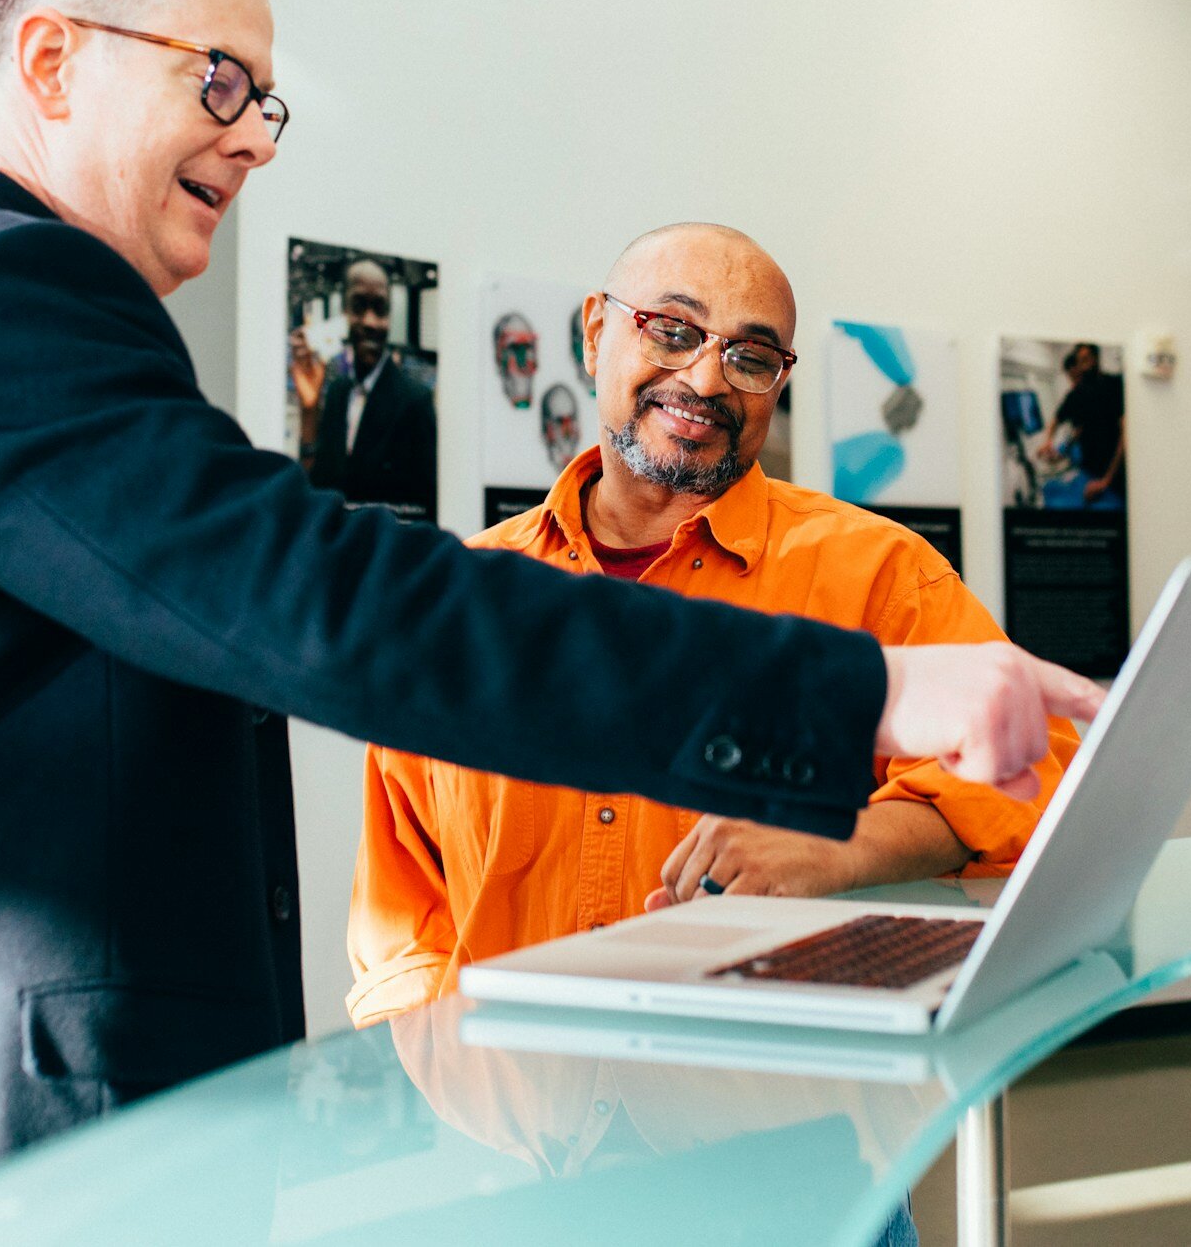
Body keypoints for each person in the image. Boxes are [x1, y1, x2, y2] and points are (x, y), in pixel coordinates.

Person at [0, 0, 1102, 1247]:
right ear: (48, 63)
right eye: (216, 77)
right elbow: (331, 603)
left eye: (264, 97)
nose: (257, 135)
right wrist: (864, 697)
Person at [347, 226, 1078, 1025]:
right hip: (512, 1123)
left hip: (773, 1115)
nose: (704, 378)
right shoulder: (466, 599)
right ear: (596, 332)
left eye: (751, 356)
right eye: (672, 329)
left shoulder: (880, 574)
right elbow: (401, 920)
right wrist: (449, 1093)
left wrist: (840, 844)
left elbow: (1039, 769)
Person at [299, 257, 437, 519]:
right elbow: (318, 487)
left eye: (380, 309)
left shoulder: (415, 402)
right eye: (359, 306)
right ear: (344, 311)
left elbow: (425, 511)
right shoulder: (337, 392)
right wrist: (309, 411)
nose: (371, 322)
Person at [1042, 341, 1126, 508]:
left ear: (1096, 359)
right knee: (1049, 490)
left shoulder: (1114, 385)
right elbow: (1060, 421)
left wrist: (1106, 480)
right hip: (1088, 471)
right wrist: (1049, 442)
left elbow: (1126, 433)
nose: (1083, 366)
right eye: (1080, 361)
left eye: (1086, 359)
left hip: (1113, 476)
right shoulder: (1077, 394)